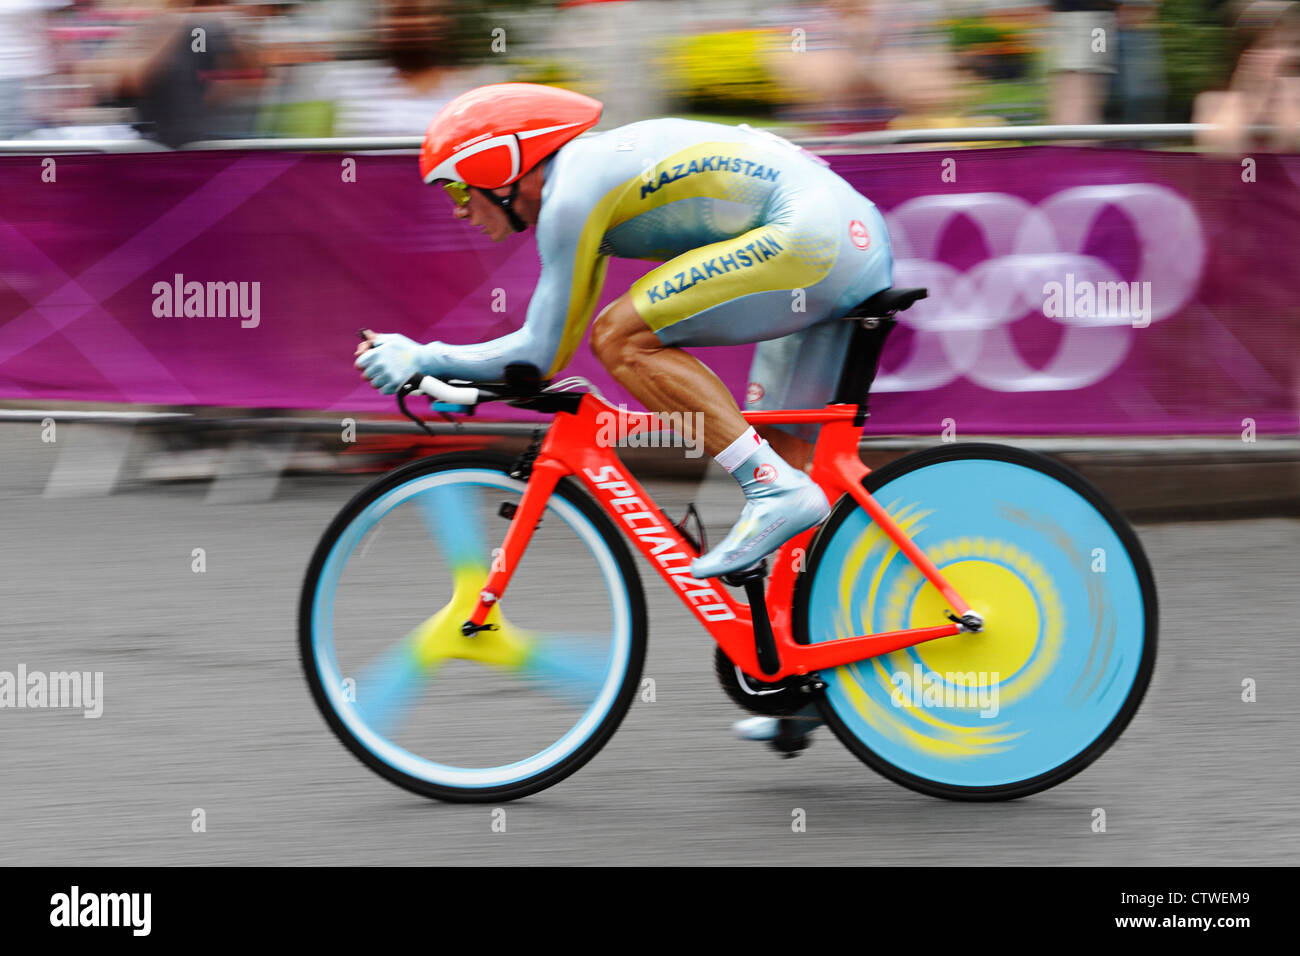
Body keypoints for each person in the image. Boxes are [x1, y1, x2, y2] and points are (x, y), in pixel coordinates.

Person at [355, 83, 895, 747]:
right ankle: (804, 683)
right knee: (785, 449)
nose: (460, 208)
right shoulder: (586, 182)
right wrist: (457, 380)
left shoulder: (570, 194)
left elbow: (543, 351)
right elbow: (538, 363)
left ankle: (772, 489)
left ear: (502, 166)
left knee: (623, 337)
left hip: (814, 235)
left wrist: (425, 354)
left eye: (460, 187)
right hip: (838, 232)